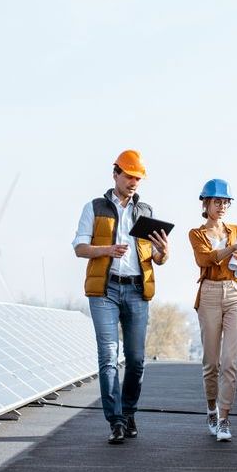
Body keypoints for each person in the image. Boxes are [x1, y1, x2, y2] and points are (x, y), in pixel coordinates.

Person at [72, 149, 171, 444]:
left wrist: (164, 252)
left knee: (137, 359)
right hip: (105, 290)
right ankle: (115, 420)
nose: (133, 182)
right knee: (108, 356)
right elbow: (79, 248)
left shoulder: (146, 212)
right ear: (115, 174)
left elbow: (156, 258)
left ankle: (128, 413)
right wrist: (107, 250)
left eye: (138, 178)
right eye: (129, 176)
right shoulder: (95, 207)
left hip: (137, 290)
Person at [187, 178, 237, 442]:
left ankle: (225, 418)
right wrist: (231, 249)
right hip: (210, 294)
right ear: (205, 204)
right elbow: (204, 259)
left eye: (226, 202)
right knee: (211, 362)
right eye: (217, 201)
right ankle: (211, 409)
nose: (222, 206)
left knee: (230, 361)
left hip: (236, 292)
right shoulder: (197, 233)